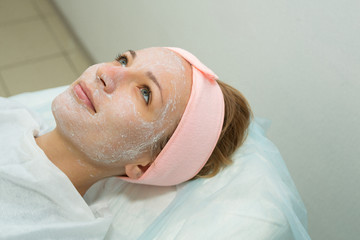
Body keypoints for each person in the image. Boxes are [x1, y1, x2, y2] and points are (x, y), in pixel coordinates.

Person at [0, 47, 251, 238]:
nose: (105, 73)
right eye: (123, 60)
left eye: (145, 93)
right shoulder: (12, 115)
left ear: (143, 165)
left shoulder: (57, 229)